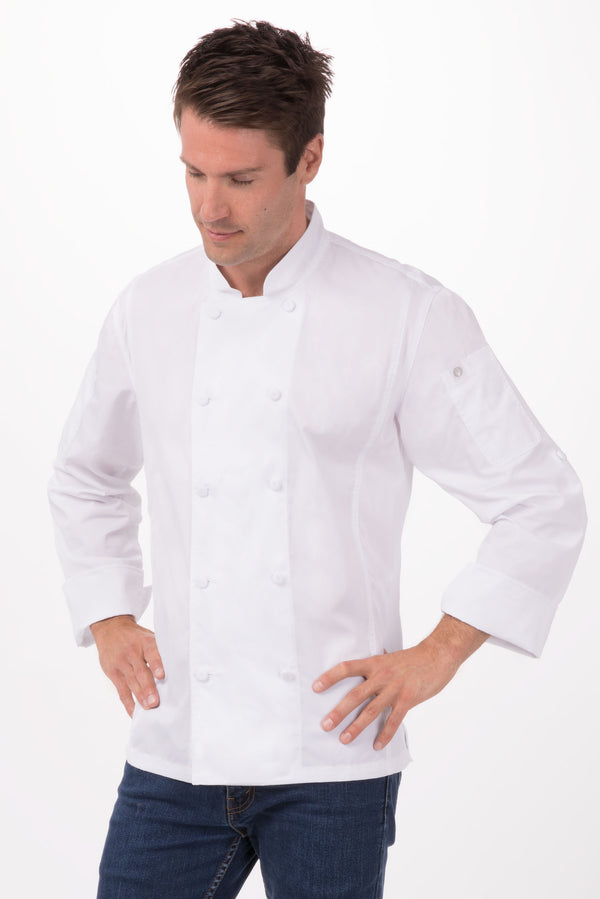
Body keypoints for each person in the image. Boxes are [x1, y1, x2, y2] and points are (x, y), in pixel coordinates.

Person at [47, 19, 586, 899]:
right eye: (193, 172)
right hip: (177, 746)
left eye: (240, 179)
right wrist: (108, 611)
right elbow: (86, 473)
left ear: (310, 160)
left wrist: (439, 653)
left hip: (333, 756)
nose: (210, 208)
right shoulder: (147, 308)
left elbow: (541, 497)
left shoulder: (405, 313)